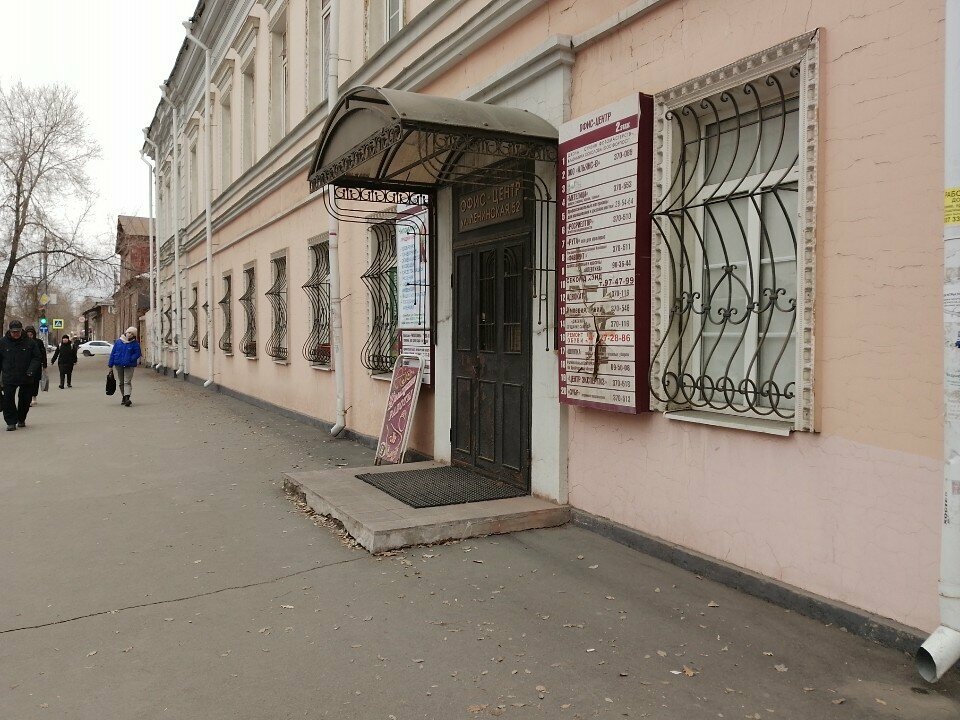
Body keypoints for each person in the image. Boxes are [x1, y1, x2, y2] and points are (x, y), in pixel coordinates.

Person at [0, 320, 43, 430]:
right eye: (13, 332)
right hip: (9, 376)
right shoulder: (3, 342)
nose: (16, 334)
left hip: (26, 375)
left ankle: (21, 418)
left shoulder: (29, 342)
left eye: (18, 331)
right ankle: (11, 422)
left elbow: (37, 357)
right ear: (9, 331)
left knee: (25, 399)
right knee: (8, 399)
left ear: (21, 330)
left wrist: (31, 370)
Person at [108, 326, 141, 407]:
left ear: (134, 336)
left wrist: (130, 359)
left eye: (132, 334)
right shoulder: (118, 342)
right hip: (118, 364)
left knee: (127, 381)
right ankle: (123, 396)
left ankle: (127, 398)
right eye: (129, 332)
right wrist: (110, 365)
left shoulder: (135, 343)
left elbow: (137, 353)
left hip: (129, 365)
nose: (130, 334)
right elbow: (113, 353)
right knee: (121, 382)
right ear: (126, 332)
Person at [23, 325, 47, 406]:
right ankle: (28, 398)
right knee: (27, 383)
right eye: (28, 334)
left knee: (35, 382)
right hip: (26, 366)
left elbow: (43, 354)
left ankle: (34, 397)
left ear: (34, 334)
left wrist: (44, 365)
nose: (30, 336)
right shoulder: (22, 342)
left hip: (36, 366)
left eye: (31, 334)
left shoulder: (39, 342)